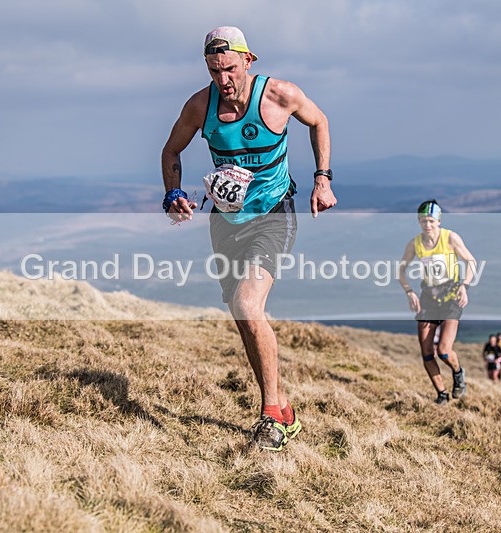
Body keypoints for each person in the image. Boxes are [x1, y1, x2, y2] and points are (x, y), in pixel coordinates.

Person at [161, 26, 337, 451]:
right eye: (214, 70)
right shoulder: (199, 106)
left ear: (248, 60)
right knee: (244, 317)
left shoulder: (279, 95)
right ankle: (283, 409)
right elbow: (171, 151)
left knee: (246, 303)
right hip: (225, 222)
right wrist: (173, 193)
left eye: (230, 69)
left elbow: (319, 121)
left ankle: (271, 417)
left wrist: (322, 179)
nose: (223, 79)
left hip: (274, 216)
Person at [398, 199, 477, 404]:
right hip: (428, 299)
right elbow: (401, 271)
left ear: (439, 221)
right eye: (424, 220)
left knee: (443, 350)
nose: (428, 225)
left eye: (431, 221)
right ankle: (442, 394)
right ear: (419, 221)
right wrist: (409, 292)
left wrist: (464, 285)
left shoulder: (450, 238)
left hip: (451, 297)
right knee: (426, 352)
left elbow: (471, 262)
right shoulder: (415, 244)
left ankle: (458, 373)